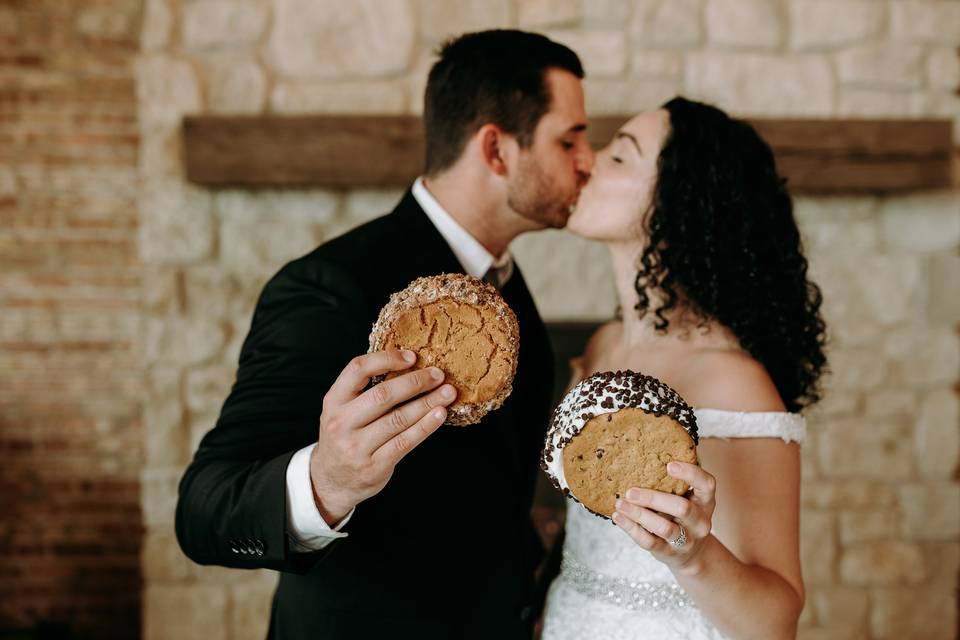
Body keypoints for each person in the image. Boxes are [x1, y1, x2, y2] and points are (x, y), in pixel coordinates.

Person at [174, 30, 594, 639]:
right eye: (570, 138)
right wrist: (326, 482)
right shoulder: (331, 286)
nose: (587, 160)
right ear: (497, 150)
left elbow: (490, 495)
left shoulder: (509, 293)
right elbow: (202, 513)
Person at [540, 97, 827, 639]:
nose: (586, 161)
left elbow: (776, 622)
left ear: (681, 204)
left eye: (619, 158)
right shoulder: (602, 348)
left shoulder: (732, 380)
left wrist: (693, 555)